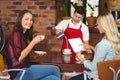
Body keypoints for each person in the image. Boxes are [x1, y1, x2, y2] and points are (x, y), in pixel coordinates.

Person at [6, 10, 60, 80]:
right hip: (19, 72)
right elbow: (19, 57)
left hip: (24, 69)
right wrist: (33, 42)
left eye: (31, 20)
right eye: (26, 19)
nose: (29, 22)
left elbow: (23, 52)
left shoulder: (22, 35)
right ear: (20, 20)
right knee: (55, 69)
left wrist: (35, 53)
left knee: (53, 78)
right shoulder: (16, 34)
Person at [69, 12, 120, 80]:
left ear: (104, 25)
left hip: (98, 77)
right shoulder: (115, 39)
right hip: (112, 76)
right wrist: (91, 47)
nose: (97, 27)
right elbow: (107, 53)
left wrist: (81, 59)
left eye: (98, 24)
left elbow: (93, 67)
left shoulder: (103, 44)